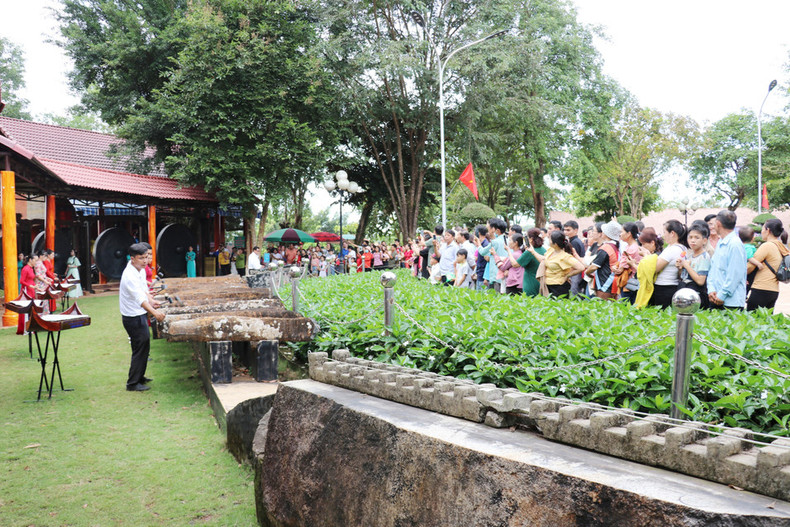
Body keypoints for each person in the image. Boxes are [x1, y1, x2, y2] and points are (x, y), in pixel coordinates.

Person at [120, 243, 165, 392]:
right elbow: (139, 299)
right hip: (132, 316)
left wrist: (152, 301)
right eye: (141, 258)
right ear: (132, 259)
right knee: (140, 348)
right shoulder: (129, 275)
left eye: (146, 257)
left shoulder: (139, 270)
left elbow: (143, 291)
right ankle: (132, 383)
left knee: (144, 345)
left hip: (138, 314)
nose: (145, 261)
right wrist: (155, 312)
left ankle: (140, 376)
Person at [746, 219, 789, 312]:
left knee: (752, 321)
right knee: (766, 321)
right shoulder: (781, 246)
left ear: (768, 230)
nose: (761, 232)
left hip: (760, 289)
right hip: (774, 291)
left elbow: (749, 268)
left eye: (762, 229)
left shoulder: (767, 246)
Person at [707, 210, 747, 309]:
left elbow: (735, 275)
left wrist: (722, 295)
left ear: (718, 223)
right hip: (715, 298)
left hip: (731, 302)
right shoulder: (721, 242)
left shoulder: (735, 244)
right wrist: (711, 289)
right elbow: (713, 269)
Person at [650, 220, 687, 309]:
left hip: (664, 288)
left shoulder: (673, 249)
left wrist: (646, 255)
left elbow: (655, 268)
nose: (663, 235)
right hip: (670, 287)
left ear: (672, 233)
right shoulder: (681, 247)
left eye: (664, 232)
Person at [676, 222, 710, 310]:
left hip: (696, 295)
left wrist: (687, 266)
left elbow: (700, 281)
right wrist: (680, 267)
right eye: (690, 237)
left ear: (704, 240)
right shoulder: (690, 256)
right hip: (685, 293)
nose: (693, 240)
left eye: (697, 237)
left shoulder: (704, 257)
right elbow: (683, 277)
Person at [585, 219, 621, 300]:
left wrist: (587, 272)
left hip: (604, 284)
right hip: (612, 283)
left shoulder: (605, 247)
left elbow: (594, 266)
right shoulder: (615, 246)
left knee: (602, 308)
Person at [545, 230, 586, 297]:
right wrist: (532, 252)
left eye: (549, 239)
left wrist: (567, 275)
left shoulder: (564, 256)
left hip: (559, 286)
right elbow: (543, 260)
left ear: (555, 244)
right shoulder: (551, 251)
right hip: (549, 284)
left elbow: (581, 267)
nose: (548, 240)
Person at [634, 228, 663, 308]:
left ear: (652, 243)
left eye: (643, 244)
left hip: (655, 292)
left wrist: (646, 256)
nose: (642, 247)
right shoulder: (655, 255)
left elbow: (649, 272)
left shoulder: (657, 256)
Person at [617, 222, 642, 304]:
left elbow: (621, 269)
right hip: (632, 284)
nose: (620, 234)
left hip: (629, 285)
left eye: (622, 232)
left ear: (629, 234)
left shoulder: (631, 249)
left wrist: (616, 268)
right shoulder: (631, 246)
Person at [563, 221, 586, 296]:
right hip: (578, 271)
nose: (565, 232)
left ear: (576, 230)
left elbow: (573, 259)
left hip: (576, 271)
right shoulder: (575, 241)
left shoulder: (574, 242)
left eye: (568, 230)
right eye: (565, 230)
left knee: (574, 293)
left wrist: (569, 273)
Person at [18, 254, 38, 335]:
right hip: (26, 291)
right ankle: (25, 329)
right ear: (30, 260)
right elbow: (21, 281)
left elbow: (32, 279)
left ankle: (30, 327)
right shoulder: (25, 269)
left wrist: (36, 287)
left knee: (31, 309)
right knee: (26, 310)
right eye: (35, 260)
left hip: (31, 290)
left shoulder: (31, 269)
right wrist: (30, 286)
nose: (36, 262)